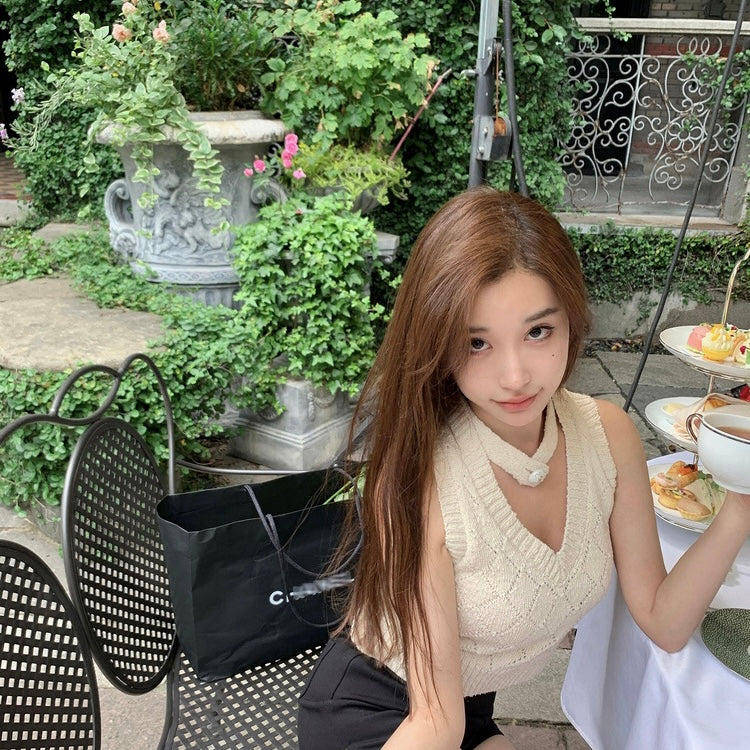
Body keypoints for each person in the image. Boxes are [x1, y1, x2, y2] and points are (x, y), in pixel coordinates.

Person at [296, 186, 750, 750]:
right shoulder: (422, 476)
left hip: (468, 707)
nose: (514, 377)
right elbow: (436, 723)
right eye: (476, 343)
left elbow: (664, 620)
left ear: (572, 321)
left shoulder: (607, 437)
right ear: (436, 343)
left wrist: (738, 504)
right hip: (385, 710)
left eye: (538, 332)